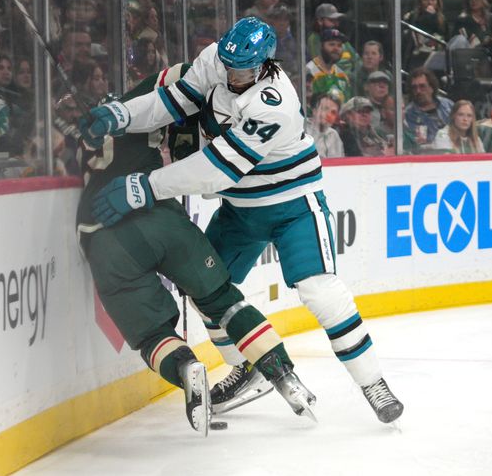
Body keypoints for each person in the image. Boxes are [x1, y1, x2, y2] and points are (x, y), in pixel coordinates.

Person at [83, 16, 404, 424]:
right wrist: (122, 115)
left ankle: (372, 382)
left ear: (265, 63)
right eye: (231, 65)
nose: (235, 76)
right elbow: (172, 101)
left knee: (320, 292)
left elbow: (219, 168)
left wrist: (146, 186)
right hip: (239, 211)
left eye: (245, 69)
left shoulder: (275, 102)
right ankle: (248, 367)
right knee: (206, 290)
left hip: (292, 206)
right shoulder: (216, 60)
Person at [61, 64, 317, 434]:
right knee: (226, 302)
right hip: (164, 220)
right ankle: (285, 376)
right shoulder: (145, 102)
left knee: (153, 334)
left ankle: (186, 368)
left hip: (104, 232)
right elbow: (191, 75)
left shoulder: (74, 130)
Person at [405, 67, 454, 148]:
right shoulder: (409, 114)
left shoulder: (448, 105)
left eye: (422, 86)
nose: (418, 91)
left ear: (431, 87)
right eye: (414, 88)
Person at [306, 28, 354, 104]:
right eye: (331, 44)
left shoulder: (342, 76)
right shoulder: (308, 72)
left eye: (339, 45)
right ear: (321, 46)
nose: (336, 49)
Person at [305, 93, 345, 158]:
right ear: (314, 110)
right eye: (325, 109)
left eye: (333, 112)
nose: (328, 114)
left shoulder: (334, 135)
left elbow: (340, 162)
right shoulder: (302, 129)